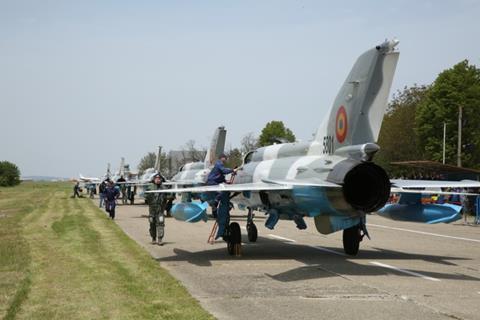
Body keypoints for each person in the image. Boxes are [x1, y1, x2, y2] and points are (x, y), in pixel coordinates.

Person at [206, 154, 237, 239]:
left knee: (222, 192)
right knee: (222, 193)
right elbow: (223, 171)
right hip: (212, 182)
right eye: (225, 158)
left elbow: (221, 176)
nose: (226, 159)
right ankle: (215, 203)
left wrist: (226, 182)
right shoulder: (219, 163)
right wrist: (232, 170)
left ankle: (215, 207)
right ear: (221, 158)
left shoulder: (219, 165)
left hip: (215, 182)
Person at [145, 173, 167, 244]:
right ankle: (153, 238)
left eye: (159, 179)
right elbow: (145, 196)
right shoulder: (150, 187)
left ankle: (160, 239)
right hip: (152, 208)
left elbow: (169, 195)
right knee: (152, 223)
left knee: (160, 223)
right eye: (156, 178)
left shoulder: (163, 187)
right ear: (154, 179)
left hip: (160, 208)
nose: (158, 180)